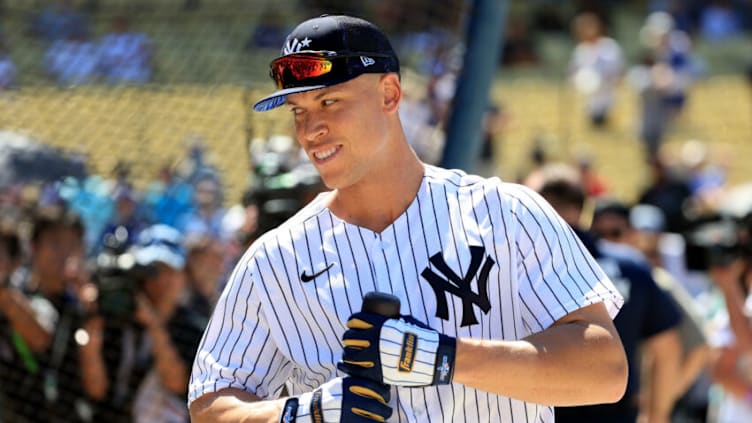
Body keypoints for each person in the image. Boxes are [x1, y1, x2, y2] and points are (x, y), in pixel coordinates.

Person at [188, 15, 628, 423]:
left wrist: (447, 358)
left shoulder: (506, 212)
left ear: (389, 94)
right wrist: (301, 414)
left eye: (330, 100)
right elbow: (210, 405)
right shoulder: (274, 259)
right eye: (299, 110)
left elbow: (606, 371)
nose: (309, 129)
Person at [535, 168, 682, 423]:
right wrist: (657, 415)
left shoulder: (522, 266)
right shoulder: (631, 265)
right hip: (616, 412)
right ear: (582, 209)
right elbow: (667, 348)